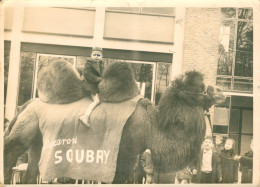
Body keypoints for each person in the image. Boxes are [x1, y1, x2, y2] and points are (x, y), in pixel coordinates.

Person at [79, 47, 104, 126]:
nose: (96, 56)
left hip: (95, 84)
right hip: (89, 84)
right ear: (91, 56)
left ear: (101, 57)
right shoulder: (89, 63)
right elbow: (87, 73)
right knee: (97, 101)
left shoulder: (100, 65)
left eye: (98, 55)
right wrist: (97, 79)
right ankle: (85, 116)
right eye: (94, 55)